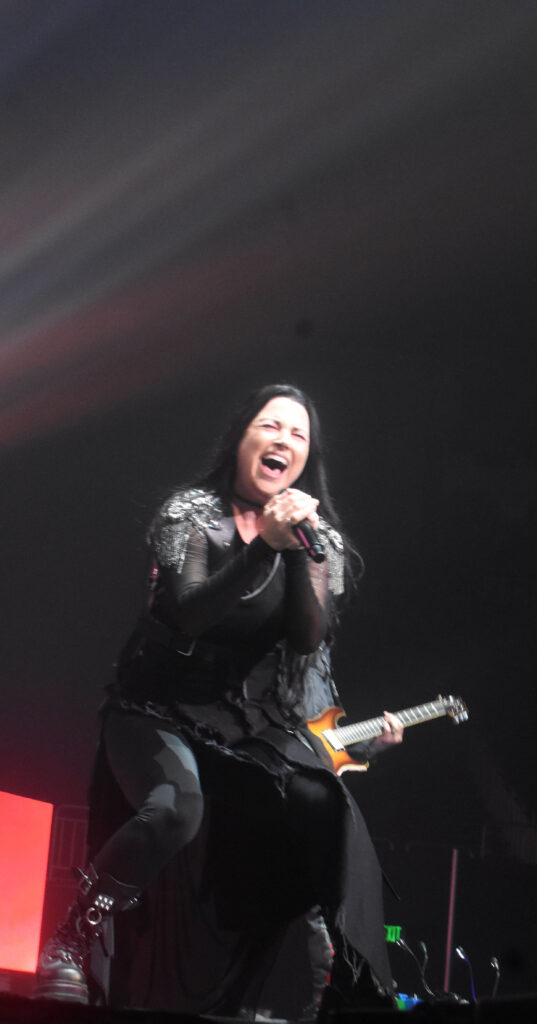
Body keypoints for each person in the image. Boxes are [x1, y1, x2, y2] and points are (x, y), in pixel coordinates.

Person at [35, 383, 403, 1017]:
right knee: (176, 808)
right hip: (159, 706)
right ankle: (71, 938)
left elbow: (307, 637)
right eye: (271, 426)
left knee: (326, 806)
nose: (283, 440)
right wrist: (264, 547)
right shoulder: (190, 514)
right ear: (241, 439)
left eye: (298, 434)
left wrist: (293, 549)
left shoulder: (317, 541)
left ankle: (338, 980)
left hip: (249, 726)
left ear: (306, 460)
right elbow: (190, 613)